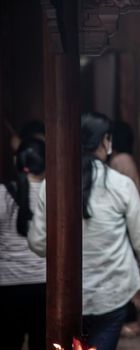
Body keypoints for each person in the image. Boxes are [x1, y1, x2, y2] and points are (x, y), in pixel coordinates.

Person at [28, 112, 140, 350]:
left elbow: (37, 242)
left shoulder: (52, 185)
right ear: (105, 141)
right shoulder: (120, 185)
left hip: (67, 295)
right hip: (113, 294)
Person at [0, 138, 46, 350]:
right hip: (43, 283)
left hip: (8, 284)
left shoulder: (2, 194)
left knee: (10, 340)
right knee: (40, 341)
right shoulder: (53, 194)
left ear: (15, 161)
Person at [108, 120, 140, 338]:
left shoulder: (121, 160)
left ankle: (129, 320)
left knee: (123, 274)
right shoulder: (125, 159)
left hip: (124, 223)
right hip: (126, 222)